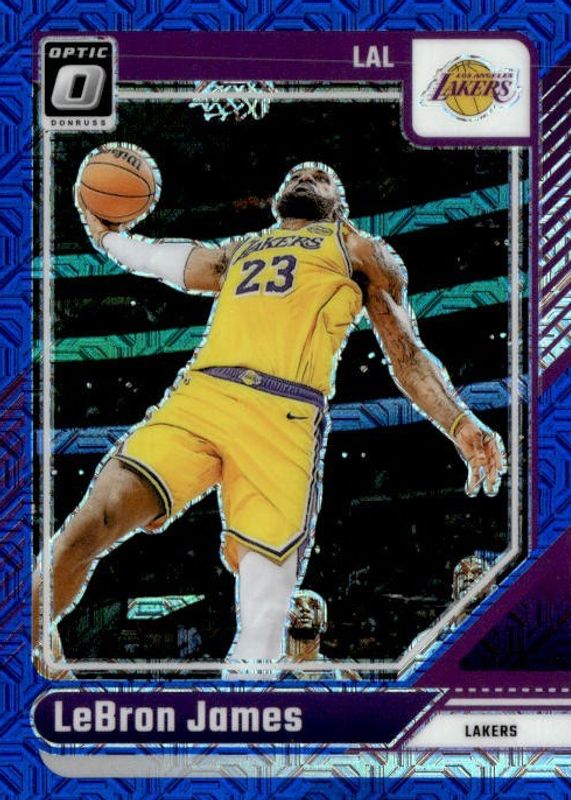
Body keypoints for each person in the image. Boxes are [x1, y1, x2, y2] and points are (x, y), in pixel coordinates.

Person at [33, 161, 506, 673]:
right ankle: (24, 643)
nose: (304, 176)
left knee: (262, 618)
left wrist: (459, 422)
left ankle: (238, 716)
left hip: (284, 415)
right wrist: (107, 237)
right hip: (202, 394)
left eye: (319, 175)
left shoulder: (359, 249)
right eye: (296, 174)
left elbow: (407, 355)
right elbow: (168, 260)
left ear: (338, 203)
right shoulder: (243, 249)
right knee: (92, 520)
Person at [282, 589, 360, 680]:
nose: (305, 609)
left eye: (314, 606)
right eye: (297, 605)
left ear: (324, 624)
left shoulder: (344, 674)